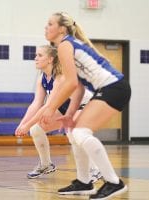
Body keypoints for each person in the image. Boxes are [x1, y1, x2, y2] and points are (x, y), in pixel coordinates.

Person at [38, 12, 131, 199]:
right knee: (73, 130)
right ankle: (84, 181)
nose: (45, 27)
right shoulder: (66, 46)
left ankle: (113, 182)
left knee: (81, 133)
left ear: (61, 29)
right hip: (108, 88)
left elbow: (69, 83)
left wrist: (50, 107)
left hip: (113, 87)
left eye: (50, 24)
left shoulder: (65, 45)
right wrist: (70, 115)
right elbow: (78, 87)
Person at [15, 45, 102, 183]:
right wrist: (23, 124)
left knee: (74, 134)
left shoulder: (60, 77)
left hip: (84, 104)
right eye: (36, 55)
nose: (35, 58)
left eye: (39, 55)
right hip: (65, 107)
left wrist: (26, 125)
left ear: (50, 59)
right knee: (36, 128)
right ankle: (46, 164)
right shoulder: (42, 78)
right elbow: (36, 104)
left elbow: (48, 106)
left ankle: (96, 170)